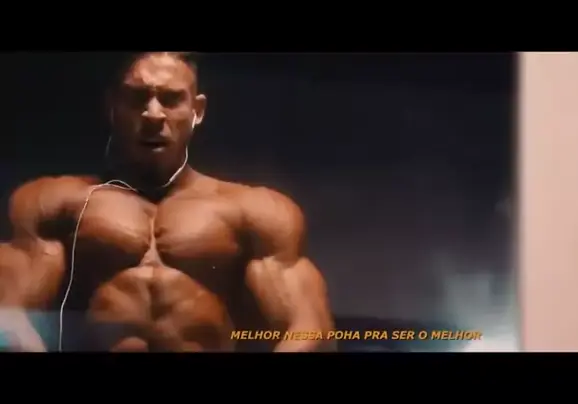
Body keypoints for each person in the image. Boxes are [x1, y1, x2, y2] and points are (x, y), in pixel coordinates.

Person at [0, 52, 335, 352]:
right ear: (113, 106)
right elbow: (7, 314)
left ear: (197, 111)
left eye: (171, 99)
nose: (153, 114)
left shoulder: (255, 211)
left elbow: (310, 328)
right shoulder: (54, 204)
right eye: (137, 98)